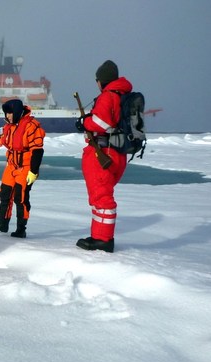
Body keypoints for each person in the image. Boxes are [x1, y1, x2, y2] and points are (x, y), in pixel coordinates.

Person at [74, 60, 133, 253]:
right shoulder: (123, 96)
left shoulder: (108, 97)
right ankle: (98, 236)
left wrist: (85, 122)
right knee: (101, 196)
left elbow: (102, 122)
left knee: (102, 198)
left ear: (102, 80)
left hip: (103, 154)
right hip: (117, 153)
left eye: (97, 80)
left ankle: (103, 240)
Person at [0, 99, 45, 238]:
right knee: (4, 193)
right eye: (6, 113)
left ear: (16, 111)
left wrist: (33, 171)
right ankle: (2, 223)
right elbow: (3, 139)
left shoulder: (32, 126)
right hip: (11, 166)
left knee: (20, 198)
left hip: (25, 167)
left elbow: (38, 150)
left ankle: (21, 229)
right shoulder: (10, 126)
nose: (7, 116)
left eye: (10, 113)